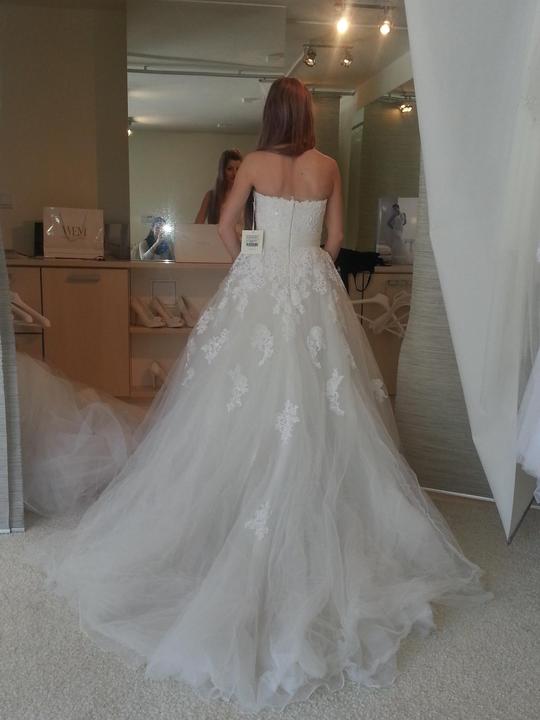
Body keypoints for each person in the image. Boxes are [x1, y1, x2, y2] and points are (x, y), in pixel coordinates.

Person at [46, 77, 490, 712]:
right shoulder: (328, 165)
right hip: (311, 287)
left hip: (260, 283)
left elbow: (227, 226)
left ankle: (242, 503)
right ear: (306, 113)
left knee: (235, 402)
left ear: (271, 114)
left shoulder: (253, 163)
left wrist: (252, 261)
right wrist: (304, 263)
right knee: (323, 406)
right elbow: (335, 241)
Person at [195, 149, 242, 224]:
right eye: (230, 169)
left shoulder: (245, 195)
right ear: (222, 171)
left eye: (238, 169)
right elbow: (197, 225)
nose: (235, 173)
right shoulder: (211, 196)